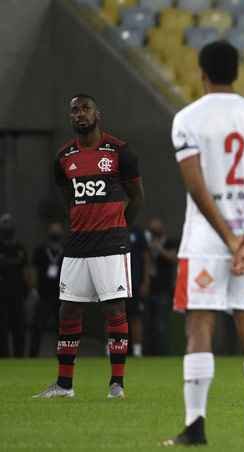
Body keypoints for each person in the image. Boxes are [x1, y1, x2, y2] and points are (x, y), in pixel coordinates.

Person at [163, 41, 244, 446]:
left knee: (199, 325)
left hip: (204, 242)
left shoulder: (187, 119)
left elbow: (196, 186)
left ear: (202, 73)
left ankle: (195, 425)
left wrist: (229, 240)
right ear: (237, 72)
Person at [32, 94, 144, 399]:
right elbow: (69, 198)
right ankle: (64, 385)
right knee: (68, 310)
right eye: (74, 110)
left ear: (98, 114)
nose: (80, 114)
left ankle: (116, 384)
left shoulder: (120, 151)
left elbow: (137, 197)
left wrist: (120, 227)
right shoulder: (63, 157)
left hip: (111, 243)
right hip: (78, 244)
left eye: (85, 108)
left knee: (114, 309)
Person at [29, 222, 65, 357]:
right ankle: (33, 355)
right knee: (37, 326)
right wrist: (33, 289)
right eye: (53, 230)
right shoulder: (40, 250)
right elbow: (33, 269)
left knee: (62, 328)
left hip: (61, 295)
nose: (55, 233)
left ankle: (63, 355)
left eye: (57, 230)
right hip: (43, 294)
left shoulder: (65, 250)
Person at [144, 217, 178, 356]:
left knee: (161, 323)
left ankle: (162, 353)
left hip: (164, 288)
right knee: (148, 323)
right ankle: (148, 353)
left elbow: (173, 258)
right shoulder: (147, 244)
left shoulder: (170, 242)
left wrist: (160, 249)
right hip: (149, 288)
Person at [0, 213, 28, 358]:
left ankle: (19, 357)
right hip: (2, 294)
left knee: (19, 326)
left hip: (18, 293)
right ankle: (3, 356)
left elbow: (26, 270)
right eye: (5, 224)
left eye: (9, 224)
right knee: (2, 328)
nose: (8, 227)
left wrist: (29, 289)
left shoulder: (20, 247)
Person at [127, 224, 151, 357]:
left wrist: (145, 281)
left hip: (134, 282)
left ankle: (137, 350)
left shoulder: (137, 231)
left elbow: (146, 258)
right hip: (115, 282)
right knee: (112, 315)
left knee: (135, 317)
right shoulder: (111, 228)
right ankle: (111, 348)